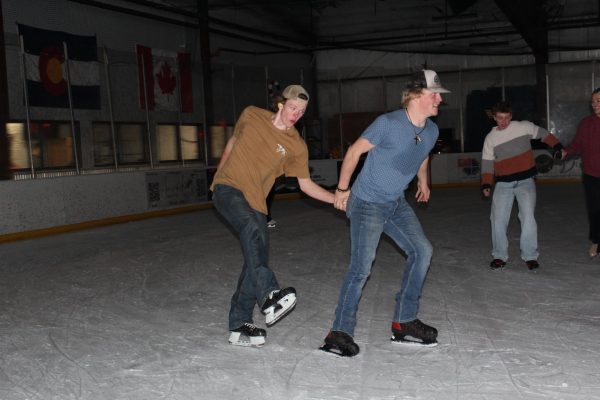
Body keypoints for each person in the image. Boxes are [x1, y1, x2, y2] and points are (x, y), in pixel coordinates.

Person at [321, 70, 449, 357]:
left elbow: (424, 154)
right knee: (361, 267)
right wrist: (342, 190)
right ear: (416, 95)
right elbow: (354, 152)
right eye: (434, 94)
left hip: (395, 203)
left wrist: (423, 180)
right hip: (366, 203)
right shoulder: (389, 123)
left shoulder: (431, 130)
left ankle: (403, 321)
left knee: (422, 251)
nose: (439, 99)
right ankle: (338, 332)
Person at [210, 85, 335, 348]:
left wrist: (335, 199)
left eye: (301, 112)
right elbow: (234, 141)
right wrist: (218, 177)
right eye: (292, 108)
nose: (295, 115)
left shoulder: (297, 147)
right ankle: (270, 295)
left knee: (254, 259)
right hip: (229, 188)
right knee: (252, 232)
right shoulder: (252, 114)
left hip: (257, 203)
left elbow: (305, 184)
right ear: (280, 105)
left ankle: (239, 323)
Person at [481, 101, 563, 270]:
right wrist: (486, 184)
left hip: (525, 182)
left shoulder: (523, 127)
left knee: (528, 218)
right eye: (499, 118)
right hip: (503, 183)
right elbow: (487, 162)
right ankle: (499, 255)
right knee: (497, 219)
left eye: (506, 118)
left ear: (511, 116)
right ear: (494, 118)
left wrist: (557, 145)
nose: (503, 122)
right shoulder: (491, 138)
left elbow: (543, 133)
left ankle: (530, 256)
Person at [560, 88, 600, 258]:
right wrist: (565, 152)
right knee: (595, 210)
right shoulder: (586, 123)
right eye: (593, 101)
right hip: (591, 174)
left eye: (598, 100)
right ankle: (597, 242)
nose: (594, 104)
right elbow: (577, 144)